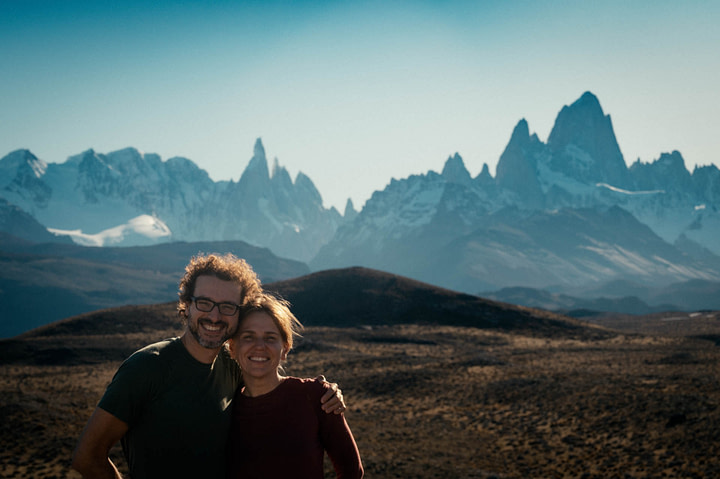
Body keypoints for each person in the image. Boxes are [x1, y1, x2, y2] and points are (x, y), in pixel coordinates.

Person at [71, 253, 345, 479]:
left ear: (239, 313)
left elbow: (272, 384)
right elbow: (87, 457)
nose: (214, 316)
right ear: (187, 304)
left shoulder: (232, 365)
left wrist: (325, 391)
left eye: (227, 306)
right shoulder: (146, 368)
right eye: (204, 303)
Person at [226, 292, 363, 479]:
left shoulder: (317, 397)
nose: (259, 346)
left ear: (285, 349)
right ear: (232, 348)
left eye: (270, 338)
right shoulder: (226, 410)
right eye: (248, 337)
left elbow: (352, 471)